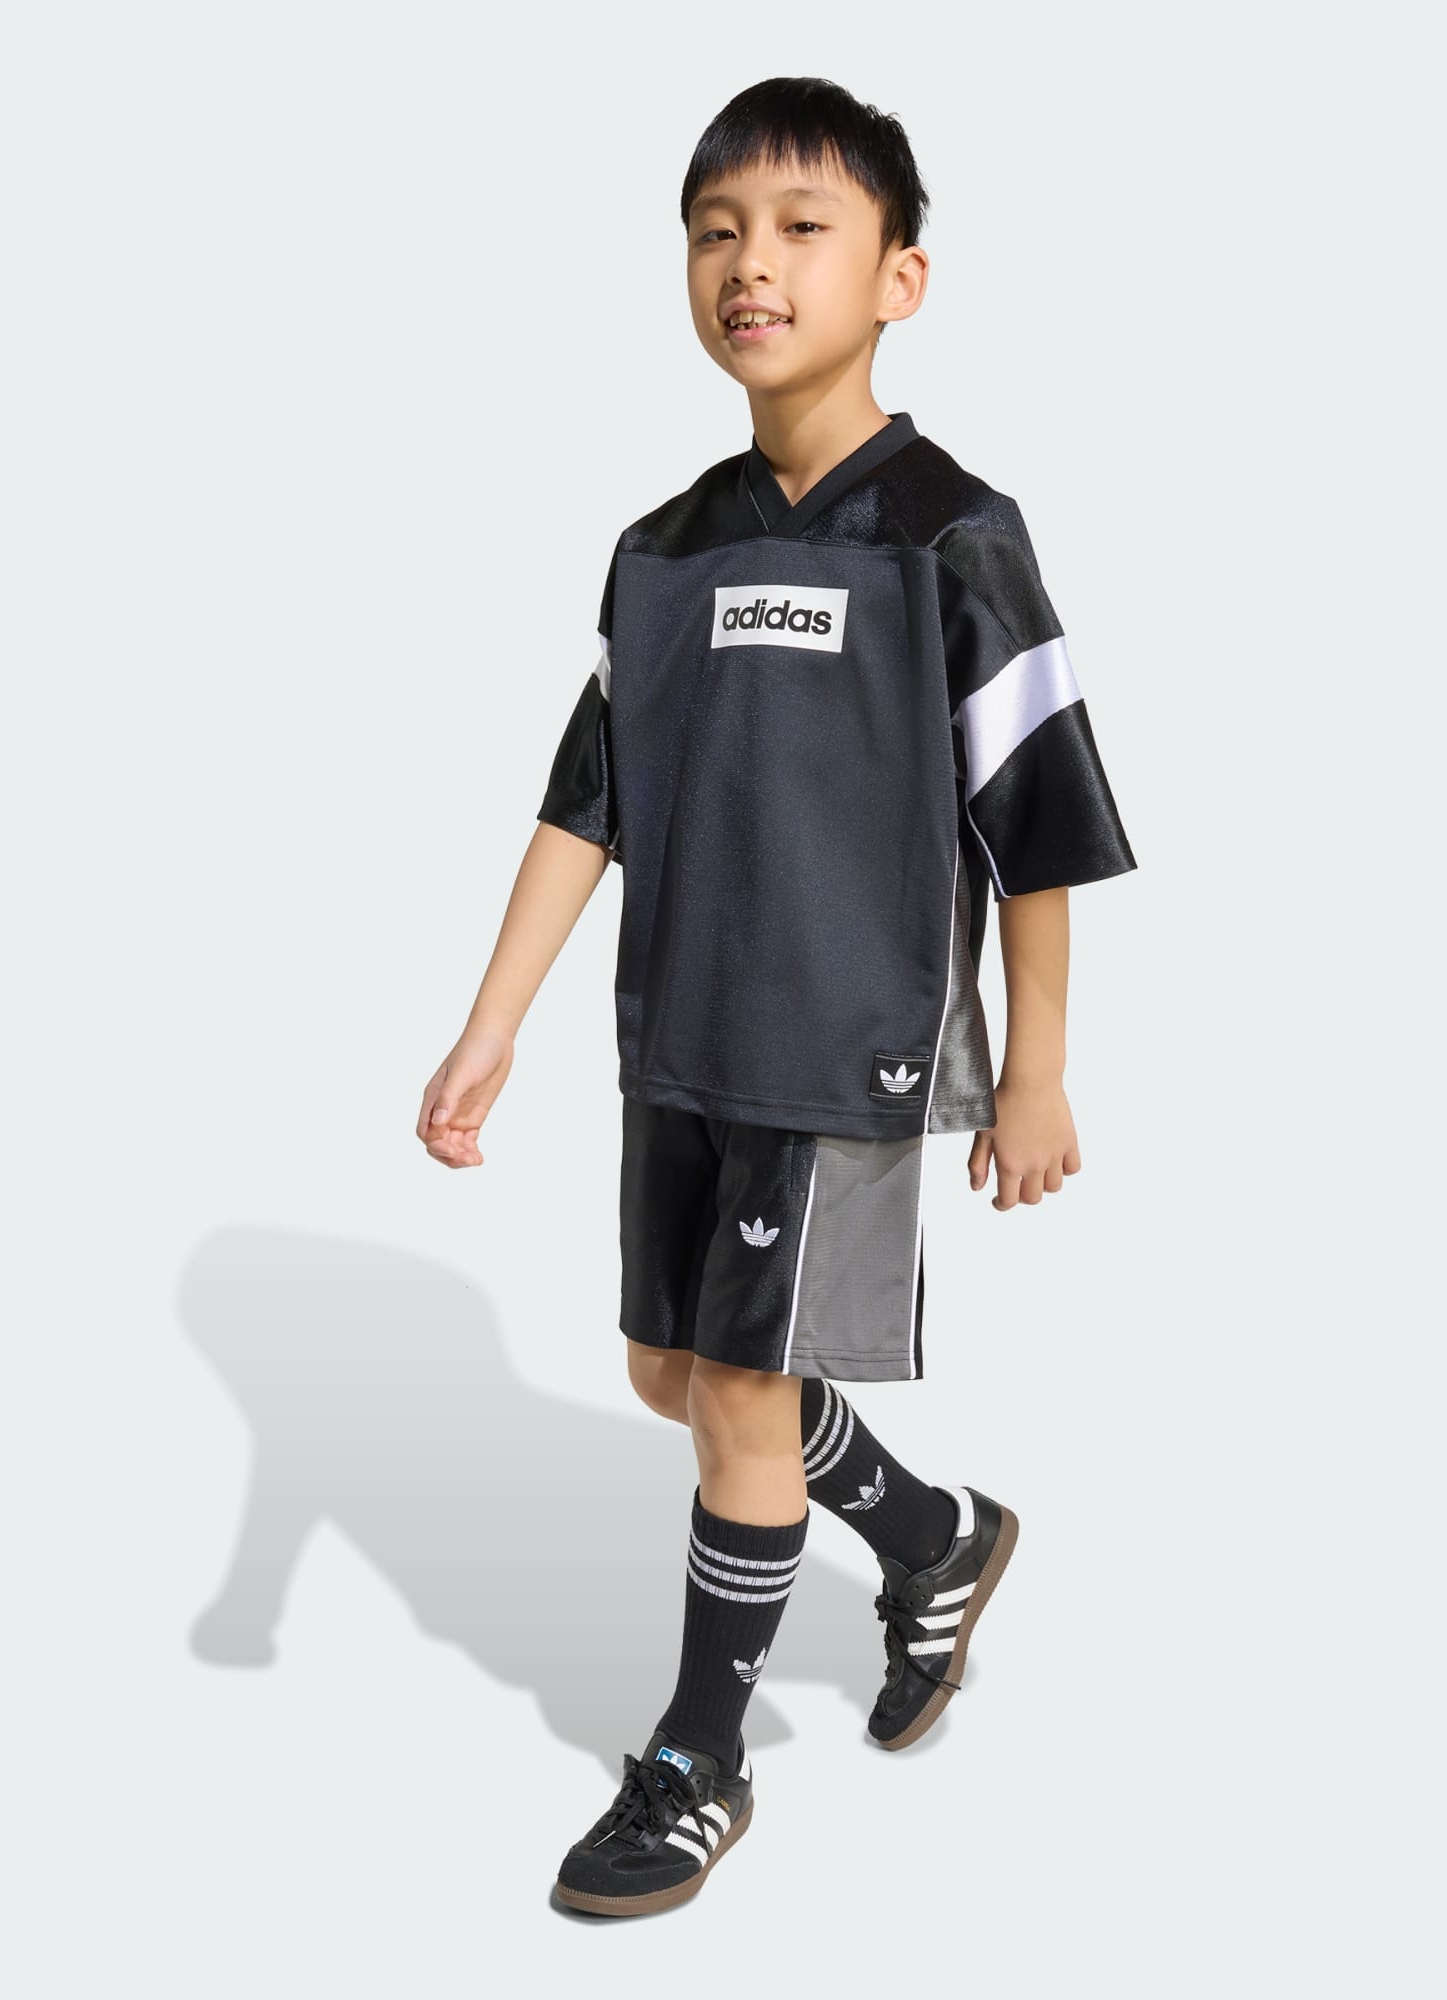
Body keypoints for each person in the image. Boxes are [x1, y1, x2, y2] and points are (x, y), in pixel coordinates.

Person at [417, 75, 1136, 1918]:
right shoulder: (664, 551)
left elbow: (1040, 821)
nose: (753, 264)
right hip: (680, 1042)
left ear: (900, 278)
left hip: (842, 1049)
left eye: (803, 228)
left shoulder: (955, 536)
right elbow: (590, 802)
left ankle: (695, 1763)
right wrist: (494, 1021)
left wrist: (1037, 1068)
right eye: (717, 231)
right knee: (673, 1373)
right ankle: (936, 1537)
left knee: (741, 1387)